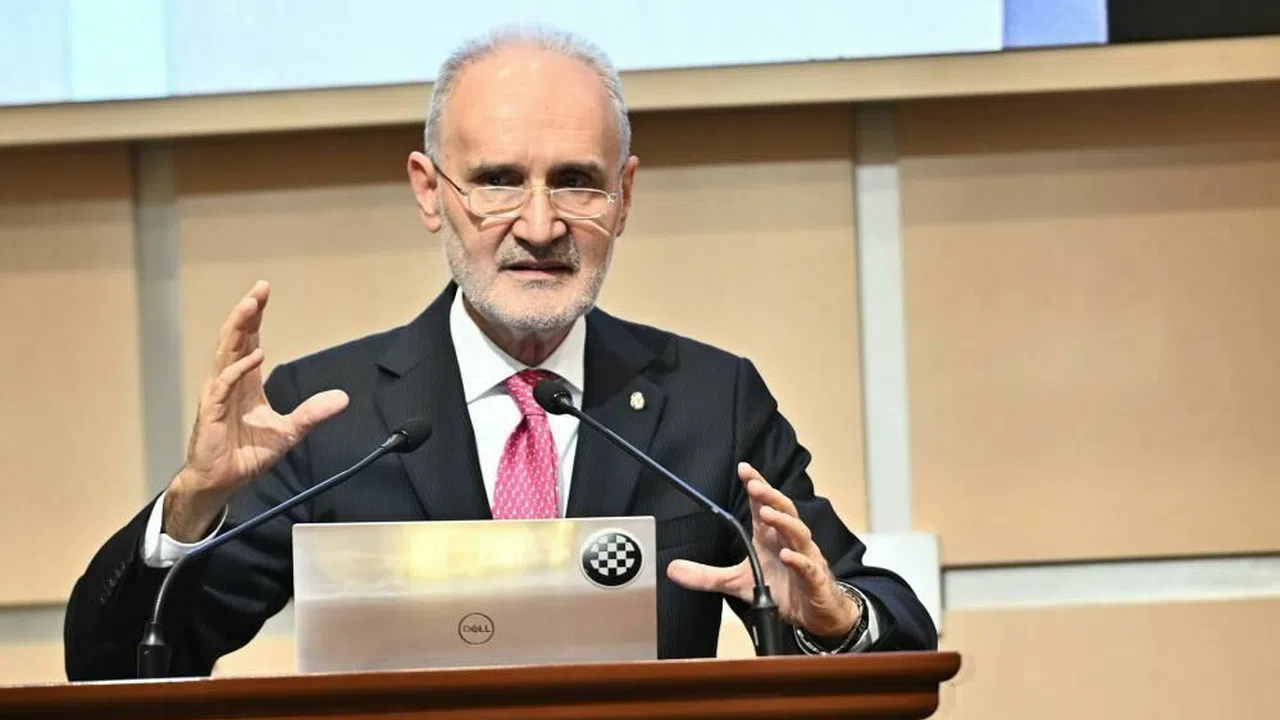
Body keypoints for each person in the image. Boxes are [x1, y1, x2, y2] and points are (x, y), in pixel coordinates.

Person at [64, 27, 936, 680]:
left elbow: (892, 625)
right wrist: (189, 509)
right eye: (498, 181)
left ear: (625, 195)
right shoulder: (331, 418)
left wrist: (833, 619)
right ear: (429, 192)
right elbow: (115, 664)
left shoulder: (711, 402)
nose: (541, 225)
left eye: (576, 181)